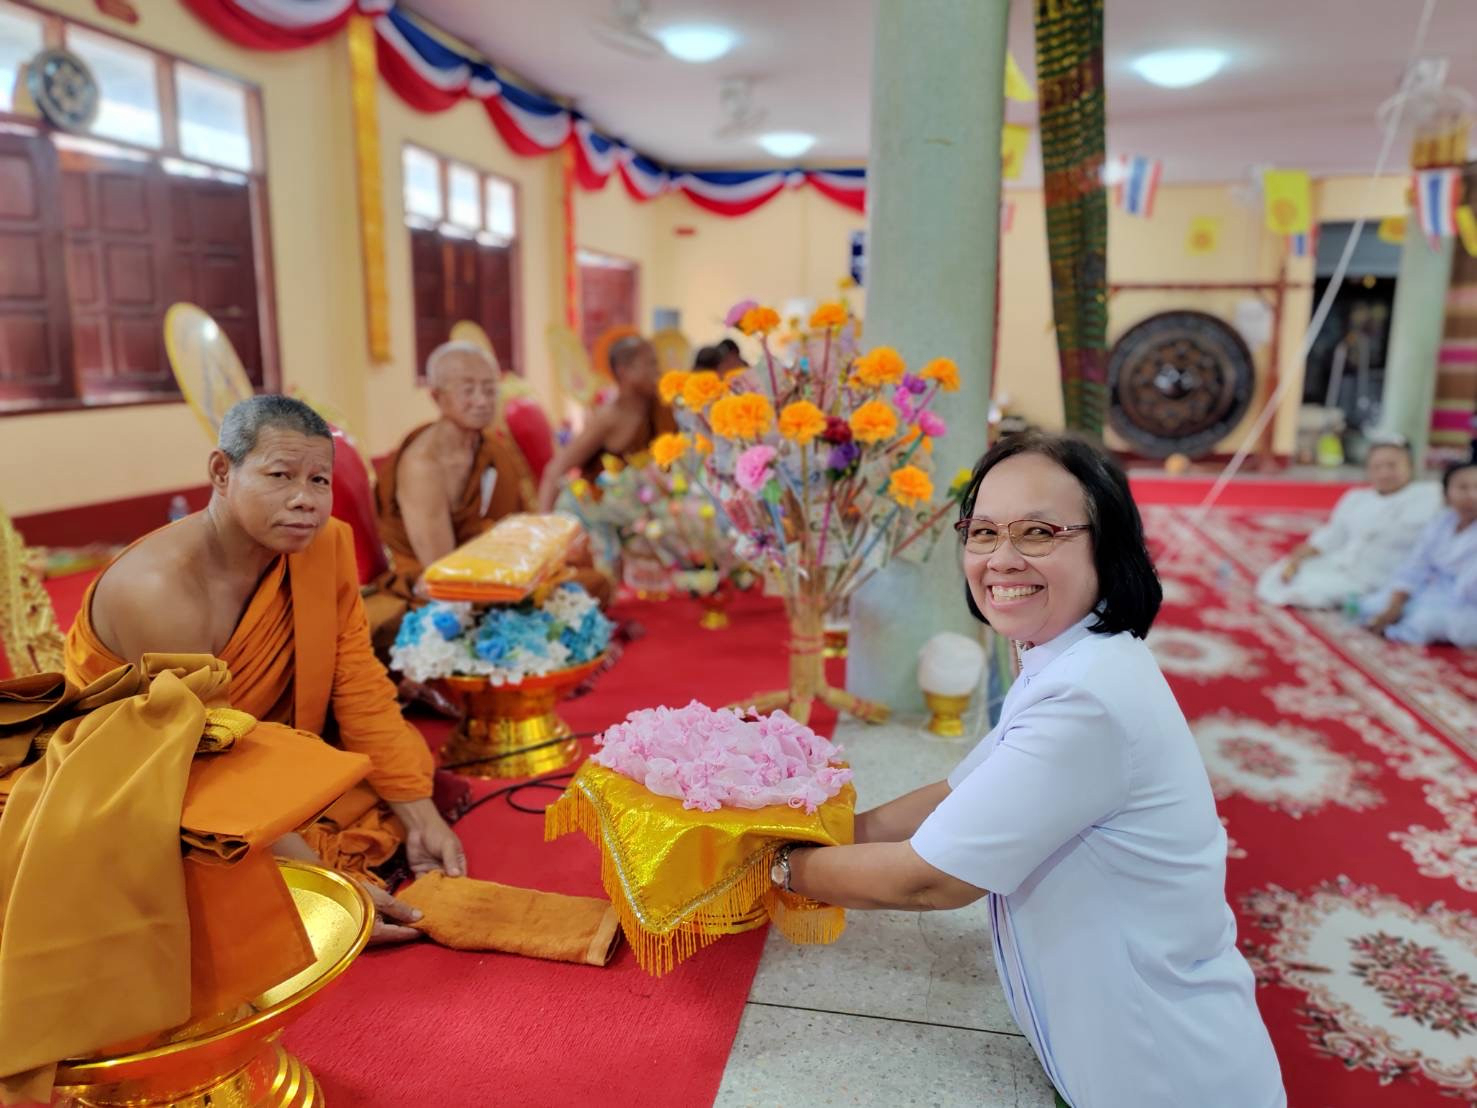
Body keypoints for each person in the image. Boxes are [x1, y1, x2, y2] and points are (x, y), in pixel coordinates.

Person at [770, 432, 1285, 1108]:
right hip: (1113, 1044)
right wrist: (820, 829)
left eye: (1037, 532)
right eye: (981, 532)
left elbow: (929, 880)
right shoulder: (1068, 652)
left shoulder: (1086, 699)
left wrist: (771, 864)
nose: (1000, 558)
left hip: (1165, 1072)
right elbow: (952, 794)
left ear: (1106, 544)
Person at [65, 395, 465, 944]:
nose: (305, 500)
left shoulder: (323, 547)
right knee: (186, 878)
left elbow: (360, 688)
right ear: (221, 472)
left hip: (258, 751)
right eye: (280, 475)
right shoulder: (159, 592)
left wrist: (424, 821)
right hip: (156, 775)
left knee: (394, 775)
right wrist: (328, 891)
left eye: (319, 480)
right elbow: (201, 763)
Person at [368, 341, 541, 646]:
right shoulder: (423, 464)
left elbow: (519, 522)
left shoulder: (489, 449)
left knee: (585, 583)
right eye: (468, 390)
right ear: (437, 396)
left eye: (489, 389)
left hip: (487, 568)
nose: (482, 400)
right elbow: (442, 570)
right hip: (433, 583)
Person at [1256, 436, 1440, 608]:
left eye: (1392, 466)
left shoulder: (1428, 496)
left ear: (1410, 466)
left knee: (1309, 592)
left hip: (1382, 572)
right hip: (1345, 563)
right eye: (1377, 467)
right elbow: (1334, 534)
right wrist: (1300, 556)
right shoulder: (1357, 498)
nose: (1384, 473)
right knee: (1278, 576)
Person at [536, 334, 677, 511]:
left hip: (654, 513)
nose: (658, 372)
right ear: (623, 371)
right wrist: (545, 525)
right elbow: (556, 469)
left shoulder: (661, 408)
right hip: (610, 518)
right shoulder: (608, 418)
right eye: (650, 364)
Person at [1360, 456, 1477, 646]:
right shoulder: (1442, 522)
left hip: (1467, 604)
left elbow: (1467, 591)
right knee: (1373, 606)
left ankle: (1402, 626)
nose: (1471, 495)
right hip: (1433, 589)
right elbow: (1416, 564)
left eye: (1476, 488)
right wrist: (1396, 603)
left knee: (1426, 622)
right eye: (1463, 488)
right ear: (1447, 494)